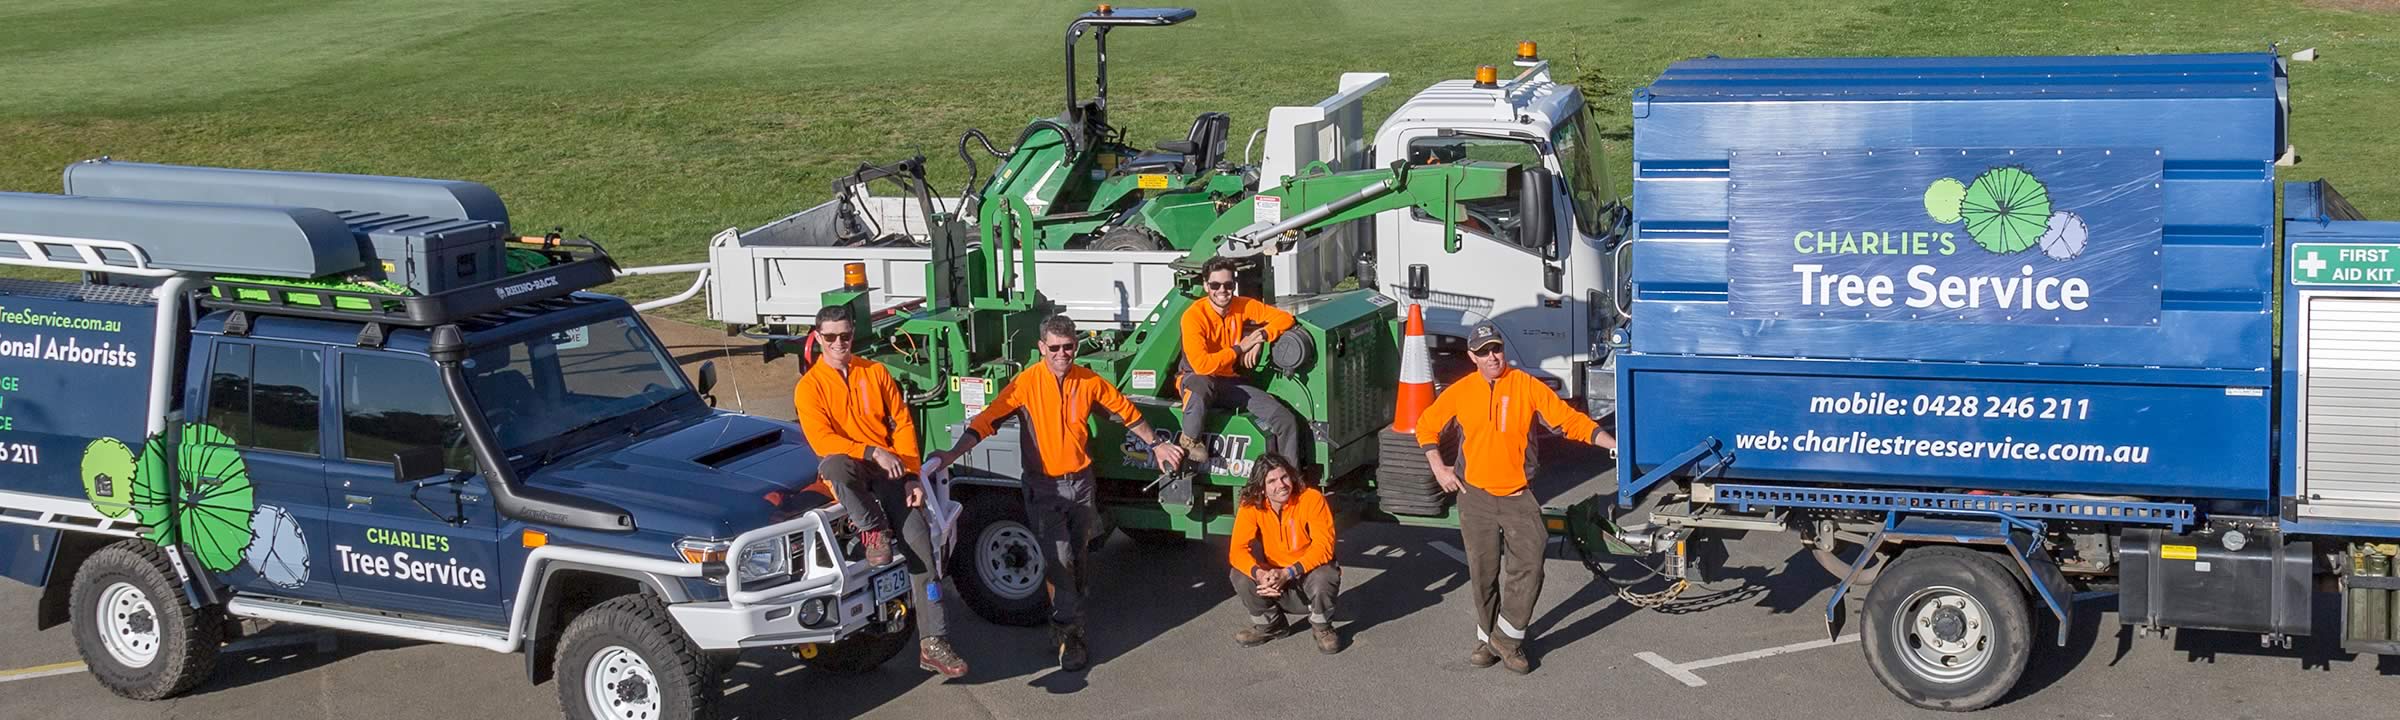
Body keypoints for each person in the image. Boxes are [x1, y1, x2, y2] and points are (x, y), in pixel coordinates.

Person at [928, 315, 1187, 672]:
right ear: (1041, 348)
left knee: (1077, 557)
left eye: (1068, 347)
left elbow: (1125, 412)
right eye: (1054, 348)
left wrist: (1156, 445)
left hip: (1081, 484)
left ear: (1075, 347)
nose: (1062, 354)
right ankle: (1069, 635)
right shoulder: (1026, 385)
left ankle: (1068, 616)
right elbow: (986, 422)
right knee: (1060, 558)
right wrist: (952, 455)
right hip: (1044, 488)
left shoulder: (1088, 381)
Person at [1415, 321, 1615, 675]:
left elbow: (1570, 422)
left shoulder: (1526, 386)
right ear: (1472, 357)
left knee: (1530, 566)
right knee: (1483, 573)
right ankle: (1486, 639)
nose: (1492, 356)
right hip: (1474, 495)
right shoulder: (1461, 392)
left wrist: (1612, 444)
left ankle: (1507, 639)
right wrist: (1439, 467)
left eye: (1496, 349)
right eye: (1484, 352)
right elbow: (1426, 426)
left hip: (1518, 496)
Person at [791, 304, 969, 678]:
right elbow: (823, 441)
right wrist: (872, 451)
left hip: (891, 473)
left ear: (853, 334)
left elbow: (902, 423)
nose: (838, 343)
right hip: (853, 468)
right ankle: (873, 530)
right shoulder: (809, 388)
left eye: (845, 335)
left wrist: (913, 476)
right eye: (830, 337)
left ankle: (933, 642)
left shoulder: (875, 373)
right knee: (833, 465)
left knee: (923, 552)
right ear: (818, 338)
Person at [1177, 256, 1302, 466]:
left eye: (1228, 285)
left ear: (1234, 285)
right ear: (1206, 286)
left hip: (1230, 382)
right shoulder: (1193, 316)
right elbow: (1202, 365)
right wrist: (1240, 348)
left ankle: (1290, 476)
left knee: (1284, 419)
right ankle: (1190, 440)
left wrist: (1261, 336)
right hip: (1196, 380)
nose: (1222, 290)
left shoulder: (1242, 305)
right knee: (1201, 382)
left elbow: (1285, 318)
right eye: (1215, 285)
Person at [1226, 452, 1342, 654]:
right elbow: (1237, 551)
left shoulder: (1311, 498)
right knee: (1239, 574)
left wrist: (1288, 573)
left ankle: (1322, 627)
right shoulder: (1251, 505)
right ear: (1261, 487)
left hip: (1306, 578)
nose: (1281, 485)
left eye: (1284, 477)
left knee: (1326, 573)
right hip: (1274, 583)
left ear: (1292, 476)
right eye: (1272, 481)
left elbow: (1324, 547)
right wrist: (1260, 575)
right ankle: (1271, 626)